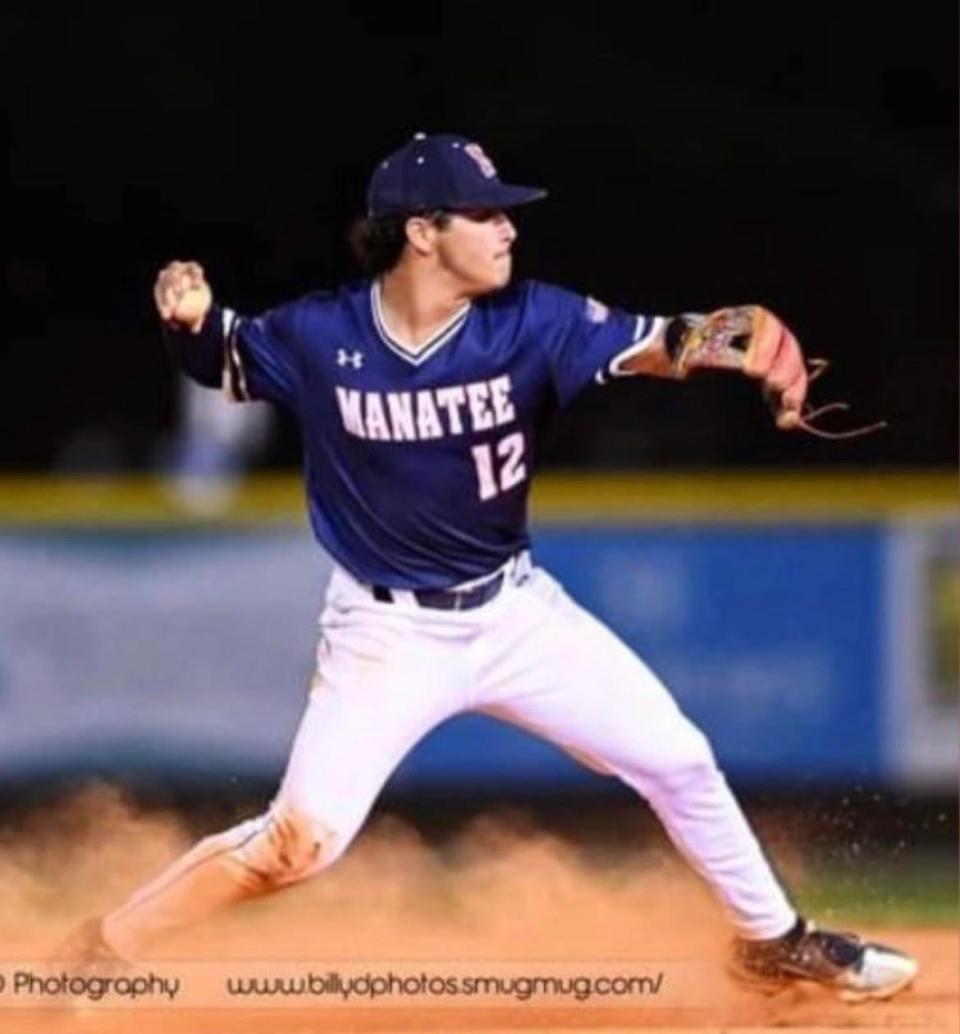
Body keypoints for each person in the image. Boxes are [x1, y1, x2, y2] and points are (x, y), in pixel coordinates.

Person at [59, 132, 916, 1002]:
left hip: (516, 615)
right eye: (485, 212)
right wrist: (189, 320)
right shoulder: (324, 335)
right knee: (299, 842)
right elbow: (224, 360)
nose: (508, 229)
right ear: (421, 232)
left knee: (679, 759)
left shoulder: (534, 320)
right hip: (384, 632)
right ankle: (102, 952)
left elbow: (658, 342)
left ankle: (773, 940)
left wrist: (728, 337)